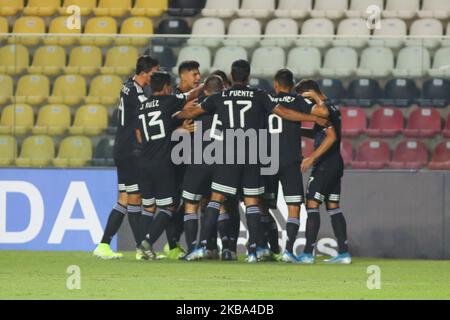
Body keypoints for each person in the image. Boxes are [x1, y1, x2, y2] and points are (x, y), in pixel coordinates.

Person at [176, 60, 329, 262]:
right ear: (248, 76)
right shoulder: (259, 95)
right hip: (252, 154)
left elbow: (191, 113)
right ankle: (254, 251)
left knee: (216, 200)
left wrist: (179, 112)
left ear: (231, 76)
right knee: (252, 202)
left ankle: (201, 247)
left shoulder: (221, 96)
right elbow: (283, 112)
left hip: (228, 153)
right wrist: (310, 118)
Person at [93, 56, 159, 260]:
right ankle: (140, 249)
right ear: (146, 72)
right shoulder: (136, 94)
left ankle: (106, 245)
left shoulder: (128, 86)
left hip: (123, 148)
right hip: (130, 151)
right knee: (134, 198)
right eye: (155, 72)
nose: (156, 76)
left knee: (125, 198)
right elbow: (151, 110)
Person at [136, 71, 200, 259]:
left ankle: (141, 249)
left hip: (143, 160)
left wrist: (177, 128)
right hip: (161, 162)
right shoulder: (169, 101)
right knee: (170, 206)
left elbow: (139, 133)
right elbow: (190, 96)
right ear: (165, 87)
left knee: (148, 207)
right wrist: (207, 84)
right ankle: (147, 243)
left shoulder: (142, 106)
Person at [294, 79, 351, 265]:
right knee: (333, 207)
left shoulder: (324, 107)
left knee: (312, 205)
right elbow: (321, 132)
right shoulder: (333, 107)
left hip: (325, 164)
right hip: (335, 163)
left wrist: (311, 158)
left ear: (311, 93)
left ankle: (308, 253)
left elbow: (330, 137)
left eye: (305, 97)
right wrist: (298, 130)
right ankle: (343, 253)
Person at [262, 69, 314, 263]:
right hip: (291, 160)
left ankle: (265, 248)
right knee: (294, 207)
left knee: (262, 206)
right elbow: (322, 112)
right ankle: (288, 251)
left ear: (276, 85)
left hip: (268, 160)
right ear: (292, 85)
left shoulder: (266, 101)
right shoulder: (299, 102)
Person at [163, 61, 203, 259]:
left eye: (199, 74)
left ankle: (180, 243)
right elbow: (160, 130)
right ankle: (171, 245)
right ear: (183, 76)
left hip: (193, 158)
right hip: (175, 159)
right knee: (176, 202)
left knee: (191, 201)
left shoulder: (198, 98)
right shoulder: (172, 99)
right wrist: (179, 130)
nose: (198, 77)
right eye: (194, 74)